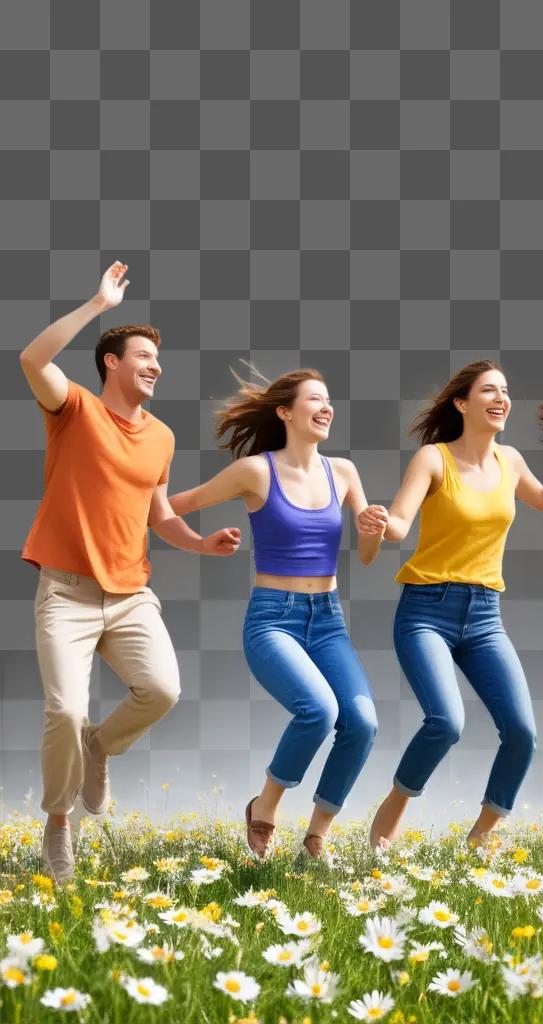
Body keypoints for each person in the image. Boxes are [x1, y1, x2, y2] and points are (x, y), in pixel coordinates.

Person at [19, 262, 241, 882]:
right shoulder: (75, 409)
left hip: (130, 595)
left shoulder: (162, 437)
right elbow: (33, 358)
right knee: (63, 710)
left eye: (158, 358)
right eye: (142, 354)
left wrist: (200, 543)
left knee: (163, 690)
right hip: (65, 593)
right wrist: (97, 302)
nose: (155, 365)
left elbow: (159, 514)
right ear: (111, 362)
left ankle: (99, 748)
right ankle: (58, 824)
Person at [169, 369, 384, 859]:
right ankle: (263, 809)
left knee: (363, 722)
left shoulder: (344, 472)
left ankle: (316, 837)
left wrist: (371, 528)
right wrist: (197, 539)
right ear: (285, 412)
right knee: (319, 710)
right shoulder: (256, 472)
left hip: (327, 620)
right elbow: (174, 505)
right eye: (315, 400)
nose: (327, 408)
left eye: (330, 400)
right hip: (273, 619)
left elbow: (368, 554)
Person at [362, 360, 543, 849]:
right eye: (489, 391)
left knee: (522, 732)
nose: (501, 399)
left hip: (484, 616)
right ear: (462, 403)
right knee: (446, 722)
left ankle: (480, 839)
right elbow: (399, 523)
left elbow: (541, 497)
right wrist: (378, 524)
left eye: (505, 390)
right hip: (425, 612)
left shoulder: (511, 462)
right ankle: (392, 811)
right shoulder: (434, 459)